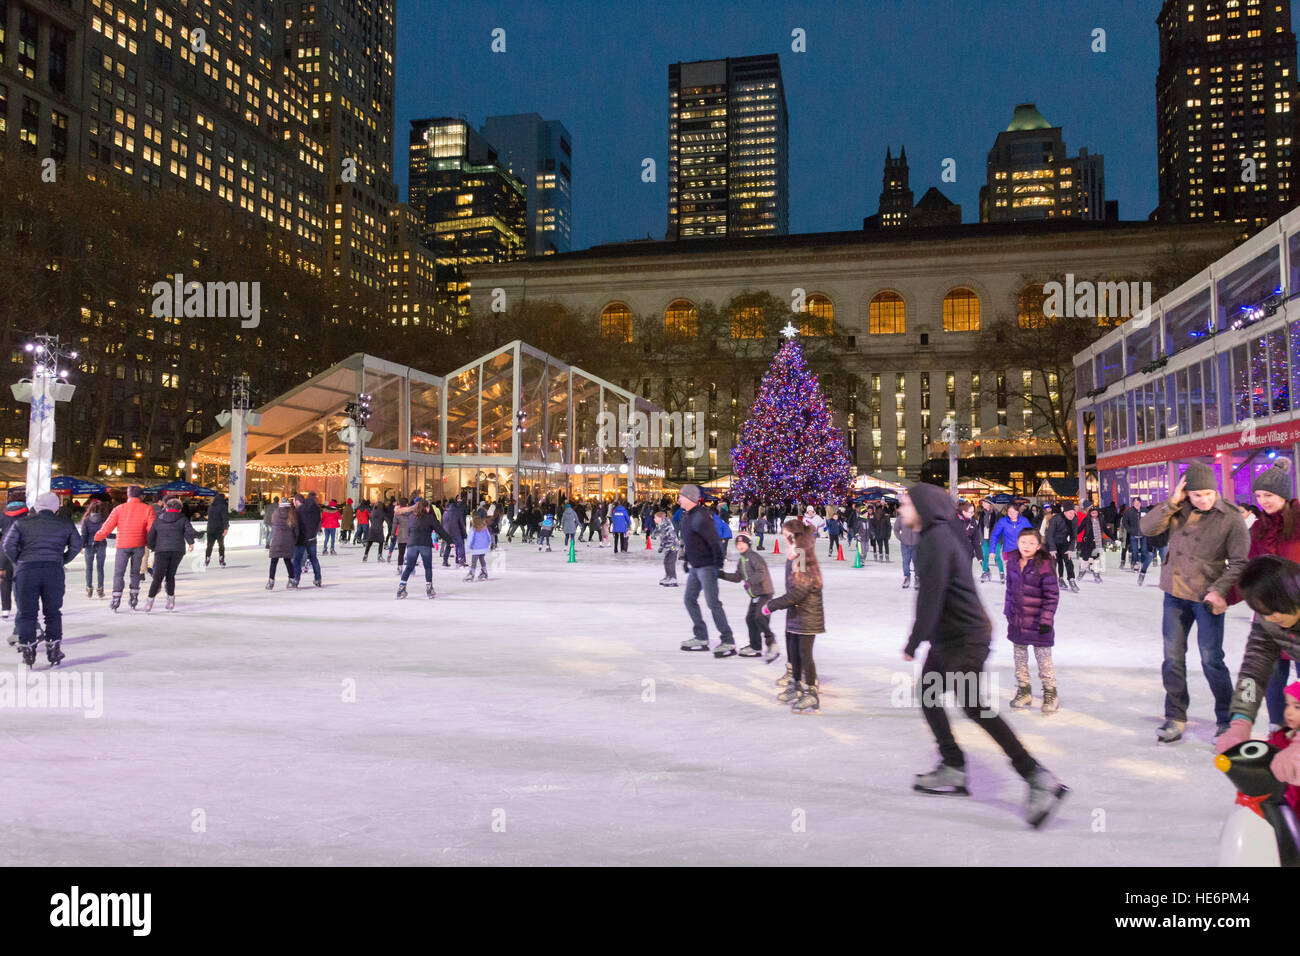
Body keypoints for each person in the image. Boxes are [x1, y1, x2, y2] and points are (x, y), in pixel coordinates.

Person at [900, 482, 1068, 828]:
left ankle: (1036, 776)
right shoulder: (940, 535)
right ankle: (953, 765)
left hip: (964, 638)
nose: (902, 511)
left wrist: (913, 642)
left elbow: (930, 597)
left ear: (922, 508)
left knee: (973, 705)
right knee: (930, 696)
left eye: (906, 504)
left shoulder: (935, 540)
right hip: (950, 637)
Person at [1140, 463, 1250, 743]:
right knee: (1172, 658)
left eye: (1209, 493)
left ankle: (1227, 719)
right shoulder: (1177, 509)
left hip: (1207, 596)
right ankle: (1175, 716)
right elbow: (1147, 528)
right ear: (1186, 493)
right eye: (1197, 494)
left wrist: (1219, 590)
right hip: (1175, 593)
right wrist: (1171, 502)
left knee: (1211, 658)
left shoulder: (1231, 517)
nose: (1204, 499)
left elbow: (1240, 563)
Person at [1227, 460, 1300, 733]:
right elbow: (1250, 570)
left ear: (1283, 494)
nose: (1262, 501)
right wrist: (1227, 596)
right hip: (1270, 615)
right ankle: (1278, 728)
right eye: (1258, 496)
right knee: (1271, 675)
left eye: (1268, 495)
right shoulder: (1259, 529)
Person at [1218, 556, 1300, 785]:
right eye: (1263, 612)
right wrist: (1240, 721)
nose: (1271, 618)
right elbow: (1253, 671)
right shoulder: (1269, 621)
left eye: (1274, 611)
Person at [2, 491, 82, 666]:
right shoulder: (65, 524)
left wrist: (19, 560)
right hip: (53, 570)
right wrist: (62, 559)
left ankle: (28, 650)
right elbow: (77, 544)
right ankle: (54, 648)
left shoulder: (21, 523)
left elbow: (7, 545)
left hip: (27, 571)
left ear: (37, 506)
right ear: (55, 507)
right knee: (53, 612)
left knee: (27, 612)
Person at [762, 518, 824, 711]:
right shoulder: (796, 554)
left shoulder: (801, 556)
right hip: (796, 612)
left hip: (807, 614)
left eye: (785, 534)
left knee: (805, 655)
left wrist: (772, 605)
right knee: (795, 653)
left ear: (793, 536)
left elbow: (800, 590)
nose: (783, 537)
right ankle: (796, 685)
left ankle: (811, 692)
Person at [1005, 527, 1060, 713]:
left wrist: (1046, 620)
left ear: (1038, 546)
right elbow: (1009, 590)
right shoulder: (1012, 562)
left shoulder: (1044, 564)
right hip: (1018, 620)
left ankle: (1050, 692)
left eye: (1031, 543)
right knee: (1019, 658)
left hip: (1039, 622)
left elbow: (1052, 595)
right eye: (1023, 542)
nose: (1026, 546)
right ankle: (1024, 689)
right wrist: (1008, 612)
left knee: (1043, 659)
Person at [678, 484, 734, 655]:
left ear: (689, 498)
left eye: (680, 496)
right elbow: (691, 541)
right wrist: (687, 559)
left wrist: (718, 565)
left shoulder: (701, 517)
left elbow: (714, 541)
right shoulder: (687, 516)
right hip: (696, 566)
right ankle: (701, 636)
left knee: (713, 603)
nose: (678, 499)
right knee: (689, 599)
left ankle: (728, 640)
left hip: (708, 566)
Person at [95, 485, 157, 612]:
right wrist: (153, 542)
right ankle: (134, 597)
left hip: (123, 545)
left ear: (128, 495)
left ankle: (116, 599)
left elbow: (107, 526)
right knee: (135, 573)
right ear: (141, 496)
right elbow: (152, 529)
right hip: (139, 544)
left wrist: (97, 537)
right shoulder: (147, 509)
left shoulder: (119, 509)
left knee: (119, 572)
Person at [721, 530, 777, 660]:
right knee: (750, 619)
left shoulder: (753, 557)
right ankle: (755, 646)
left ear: (748, 544)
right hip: (755, 595)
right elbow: (737, 577)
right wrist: (721, 575)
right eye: (738, 543)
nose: (740, 546)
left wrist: (749, 581)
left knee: (759, 618)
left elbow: (761, 573)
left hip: (765, 593)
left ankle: (772, 644)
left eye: (743, 543)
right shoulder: (742, 559)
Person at [145, 497, 196, 611]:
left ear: (166, 507)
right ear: (180, 509)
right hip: (177, 550)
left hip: (161, 550)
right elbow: (189, 531)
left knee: (157, 577)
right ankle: (171, 601)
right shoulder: (182, 518)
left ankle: (149, 602)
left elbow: (151, 535)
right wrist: (191, 543)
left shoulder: (159, 519)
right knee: (170, 576)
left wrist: (152, 547)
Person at [397, 499, 450, 599]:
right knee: (428, 567)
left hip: (412, 544)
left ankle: (401, 588)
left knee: (409, 567)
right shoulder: (430, 518)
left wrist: (410, 541)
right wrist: (450, 540)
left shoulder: (411, 517)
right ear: (427, 508)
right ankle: (429, 589)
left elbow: (408, 531)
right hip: (425, 544)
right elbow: (440, 530)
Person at [988, 502, 1031, 584]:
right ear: (1007, 512)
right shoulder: (1002, 521)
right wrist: (992, 550)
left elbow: (1032, 534)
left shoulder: (1024, 521)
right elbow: (994, 536)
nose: (1012, 514)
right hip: (1008, 551)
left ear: (1018, 512)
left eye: (1014, 512)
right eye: (1009, 512)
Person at [1, 499, 26, 628]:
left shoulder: (3, 514)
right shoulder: (26, 514)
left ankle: (5, 609)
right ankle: (21, 608)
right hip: (20, 551)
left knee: (4, 580)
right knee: (19, 581)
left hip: (4, 550)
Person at [1045, 501, 1080, 593]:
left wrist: (1070, 548)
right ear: (1064, 512)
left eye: (1073, 513)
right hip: (1053, 543)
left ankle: (1071, 579)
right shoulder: (1055, 519)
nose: (1072, 515)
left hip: (1064, 543)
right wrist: (1052, 549)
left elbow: (1074, 536)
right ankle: (1057, 579)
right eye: (1070, 513)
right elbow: (1049, 535)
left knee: (1068, 561)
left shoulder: (1074, 519)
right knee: (1056, 562)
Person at [79, 500, 108, 599]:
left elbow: (83, 535)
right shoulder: (104, 519)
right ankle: (100, 590)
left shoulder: (86, 520)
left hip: (89, 545)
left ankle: (89, 589)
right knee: (100, 568)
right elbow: (106, 533)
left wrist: (81, 546)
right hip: (101, 544)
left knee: (89, 568)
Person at [267, 498, 297, 589]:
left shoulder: (276, 513)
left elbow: (272, 523)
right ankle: (291, 580)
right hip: (288, 541)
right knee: (288, 561)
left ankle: (271, 581)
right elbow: (295, 528)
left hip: (277, 540)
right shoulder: (292, 514)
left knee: (273, 561)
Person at [1077, 506, 1108, 583]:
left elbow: (1105, 529)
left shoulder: (1100, 520)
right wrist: (1072, 534)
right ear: (1090, 513)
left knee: (1096, 559)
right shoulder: (1087, 520)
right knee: (1085, 558)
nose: (1094, 514)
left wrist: (1114, 537)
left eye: (1095, 513)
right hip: (1087, 542)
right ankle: (1082, 572)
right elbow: (1080, 528)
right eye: (1092, 513)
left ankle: (1096, 574)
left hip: (1097, 543)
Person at [894, 504, 919, 589]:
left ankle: (917, 578)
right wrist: (901, 538)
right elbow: (896, 529)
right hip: (905, 545)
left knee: (917, 562)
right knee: (906, 562)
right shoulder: (901, 518)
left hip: (916, 545)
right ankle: (907, 577)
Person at [652, 510, 680, 587]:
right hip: (669, 547)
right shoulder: (661, 526)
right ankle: (668, 576)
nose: (654, 519)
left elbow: (671, 537)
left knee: (670, 562)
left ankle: (673, 578)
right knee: (666, 562)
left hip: (673, 547)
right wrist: (661, 547)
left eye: (655, 518)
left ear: (660, 518)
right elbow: (663, 538)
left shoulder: (667, 525)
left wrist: (670, 547)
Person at [1121, 497, 1147, 577]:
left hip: (1144, 533)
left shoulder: (1145, 511)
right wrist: (1130, 530)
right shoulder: (1129, 511)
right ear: (1133, 503)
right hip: (1133, 533)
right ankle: (1135, 563)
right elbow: (1124, 522)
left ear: (1140, 503)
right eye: (1135, 502)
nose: (1136, 503)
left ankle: (1142, 563)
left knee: (1144, 549)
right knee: (1134, 550)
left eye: (1138, 502)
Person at [204, 492, 229, 567]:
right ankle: (221, 559)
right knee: (221, 545)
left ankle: (207, 558)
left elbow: (208, 517)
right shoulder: (223, 506)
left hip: (210, 528)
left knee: (209, 545)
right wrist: (226, 528)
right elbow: (225, 518)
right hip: (219, 529)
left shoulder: (211, 506)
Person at [466, 514, 492, 581]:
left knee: (474, 561)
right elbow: (489, 537)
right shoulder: (485, 528)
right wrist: (489, 543)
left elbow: (470, 539)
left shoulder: (473, 529)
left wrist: (467, 547)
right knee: (482, 559)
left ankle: (472, 573)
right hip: (484, 548)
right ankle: (484, 571)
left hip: (477, 548)